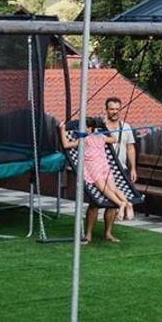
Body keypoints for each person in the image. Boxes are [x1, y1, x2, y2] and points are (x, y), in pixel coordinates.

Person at [63, 113, 131, 244]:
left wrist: (61, 130)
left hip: (95, 169)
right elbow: (114, 139)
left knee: (106, 190)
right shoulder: (100, 137)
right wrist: (105, 128)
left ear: (89, 128)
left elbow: (66, 145)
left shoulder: (85, 140)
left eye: (82, 127)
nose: (79, 129)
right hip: (104, 167)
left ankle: (121, 205)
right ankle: (124, 203)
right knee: (112, 190)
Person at [91, 95, 143, 240]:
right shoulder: (99, 127)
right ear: (106, 110)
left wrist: (133, 168)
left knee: (113, 203)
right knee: (94, 203)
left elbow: (130, 148)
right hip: (100, 170)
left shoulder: (126, 127)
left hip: (120, 169)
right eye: (111, 109)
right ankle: (88, 234)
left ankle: (108, 233)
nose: (114, 112)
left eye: (117, 109)